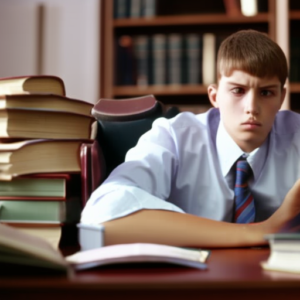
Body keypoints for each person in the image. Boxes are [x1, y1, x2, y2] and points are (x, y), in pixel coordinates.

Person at [81, 29, 300, 247]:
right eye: (238, 91)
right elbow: (100, 215)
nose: (251, 108)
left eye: (266, 93)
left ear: (281, 98)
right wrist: (263, 231)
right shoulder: (174, 137)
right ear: (215, 96)